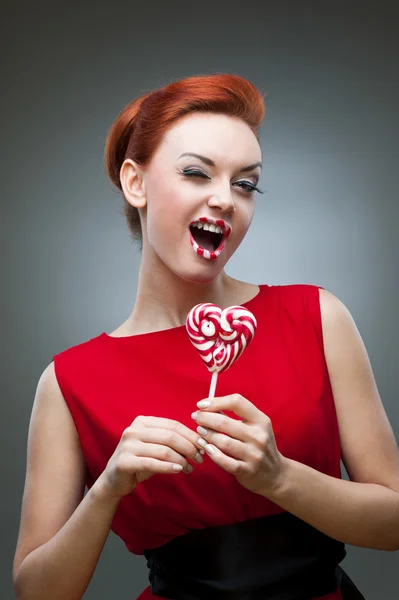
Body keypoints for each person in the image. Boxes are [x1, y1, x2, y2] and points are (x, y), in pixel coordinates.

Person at [12, 73, 399, 600]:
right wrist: (104, 493)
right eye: (197, 173)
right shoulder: (68, 382)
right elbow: (36, 591)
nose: (225, 200)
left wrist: (279, 477)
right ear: (136, 183)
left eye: (245, 183)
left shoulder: (317, 316)